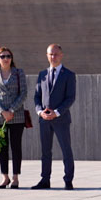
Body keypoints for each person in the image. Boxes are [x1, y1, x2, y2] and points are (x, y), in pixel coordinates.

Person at [32, 44, 77, 190]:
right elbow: (37, 97)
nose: (53, 57)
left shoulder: (69, 75)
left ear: (61, 55)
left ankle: (68, 180)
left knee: (66, 150)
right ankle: (45, 180)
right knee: (45, 151)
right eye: (51, 54)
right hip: (44, 119)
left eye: (56, 54)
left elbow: (70, 98)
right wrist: (40, 112)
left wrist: (56, 112)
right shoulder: (42, 75)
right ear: (47, 55)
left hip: (61, 119)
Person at [0, 47, 27, 189]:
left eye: (8, 56)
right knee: (2, 147)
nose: (6, 59)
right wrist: (2, 111)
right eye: (3, 56)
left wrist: (11, 110)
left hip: (16, 115)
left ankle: (16, 177)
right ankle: (5, 177)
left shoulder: (19, 73)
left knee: (16, 146)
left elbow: (23, 94)